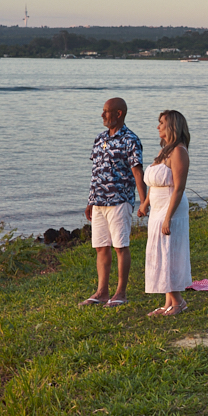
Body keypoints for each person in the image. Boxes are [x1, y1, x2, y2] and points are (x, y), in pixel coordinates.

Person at [81, 98, 145, 308]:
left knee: (120, 247)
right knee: (101, 247)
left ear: (119, 114)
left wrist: (144, 202)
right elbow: (96, 172)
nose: (102, 115)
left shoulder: (130, 139)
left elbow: (137, 172)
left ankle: (121, 292)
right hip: (99, 202)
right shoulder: (99, 139)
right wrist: (91, 200)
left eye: (106, 112)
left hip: (119, 200)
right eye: (102, 111)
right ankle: (101, 292)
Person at [139, 110, 192, 317]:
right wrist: (145, 204)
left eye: (161, 123)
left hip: (172, 209)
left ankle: (178, 301)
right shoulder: (165, 152)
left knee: (169, 253)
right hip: (157, 209)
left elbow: (178, 187)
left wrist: (168, 216)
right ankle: (168, 302)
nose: (158, 126)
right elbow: (155, 183)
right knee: (160, 253)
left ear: (171, 126)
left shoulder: (179, 151)